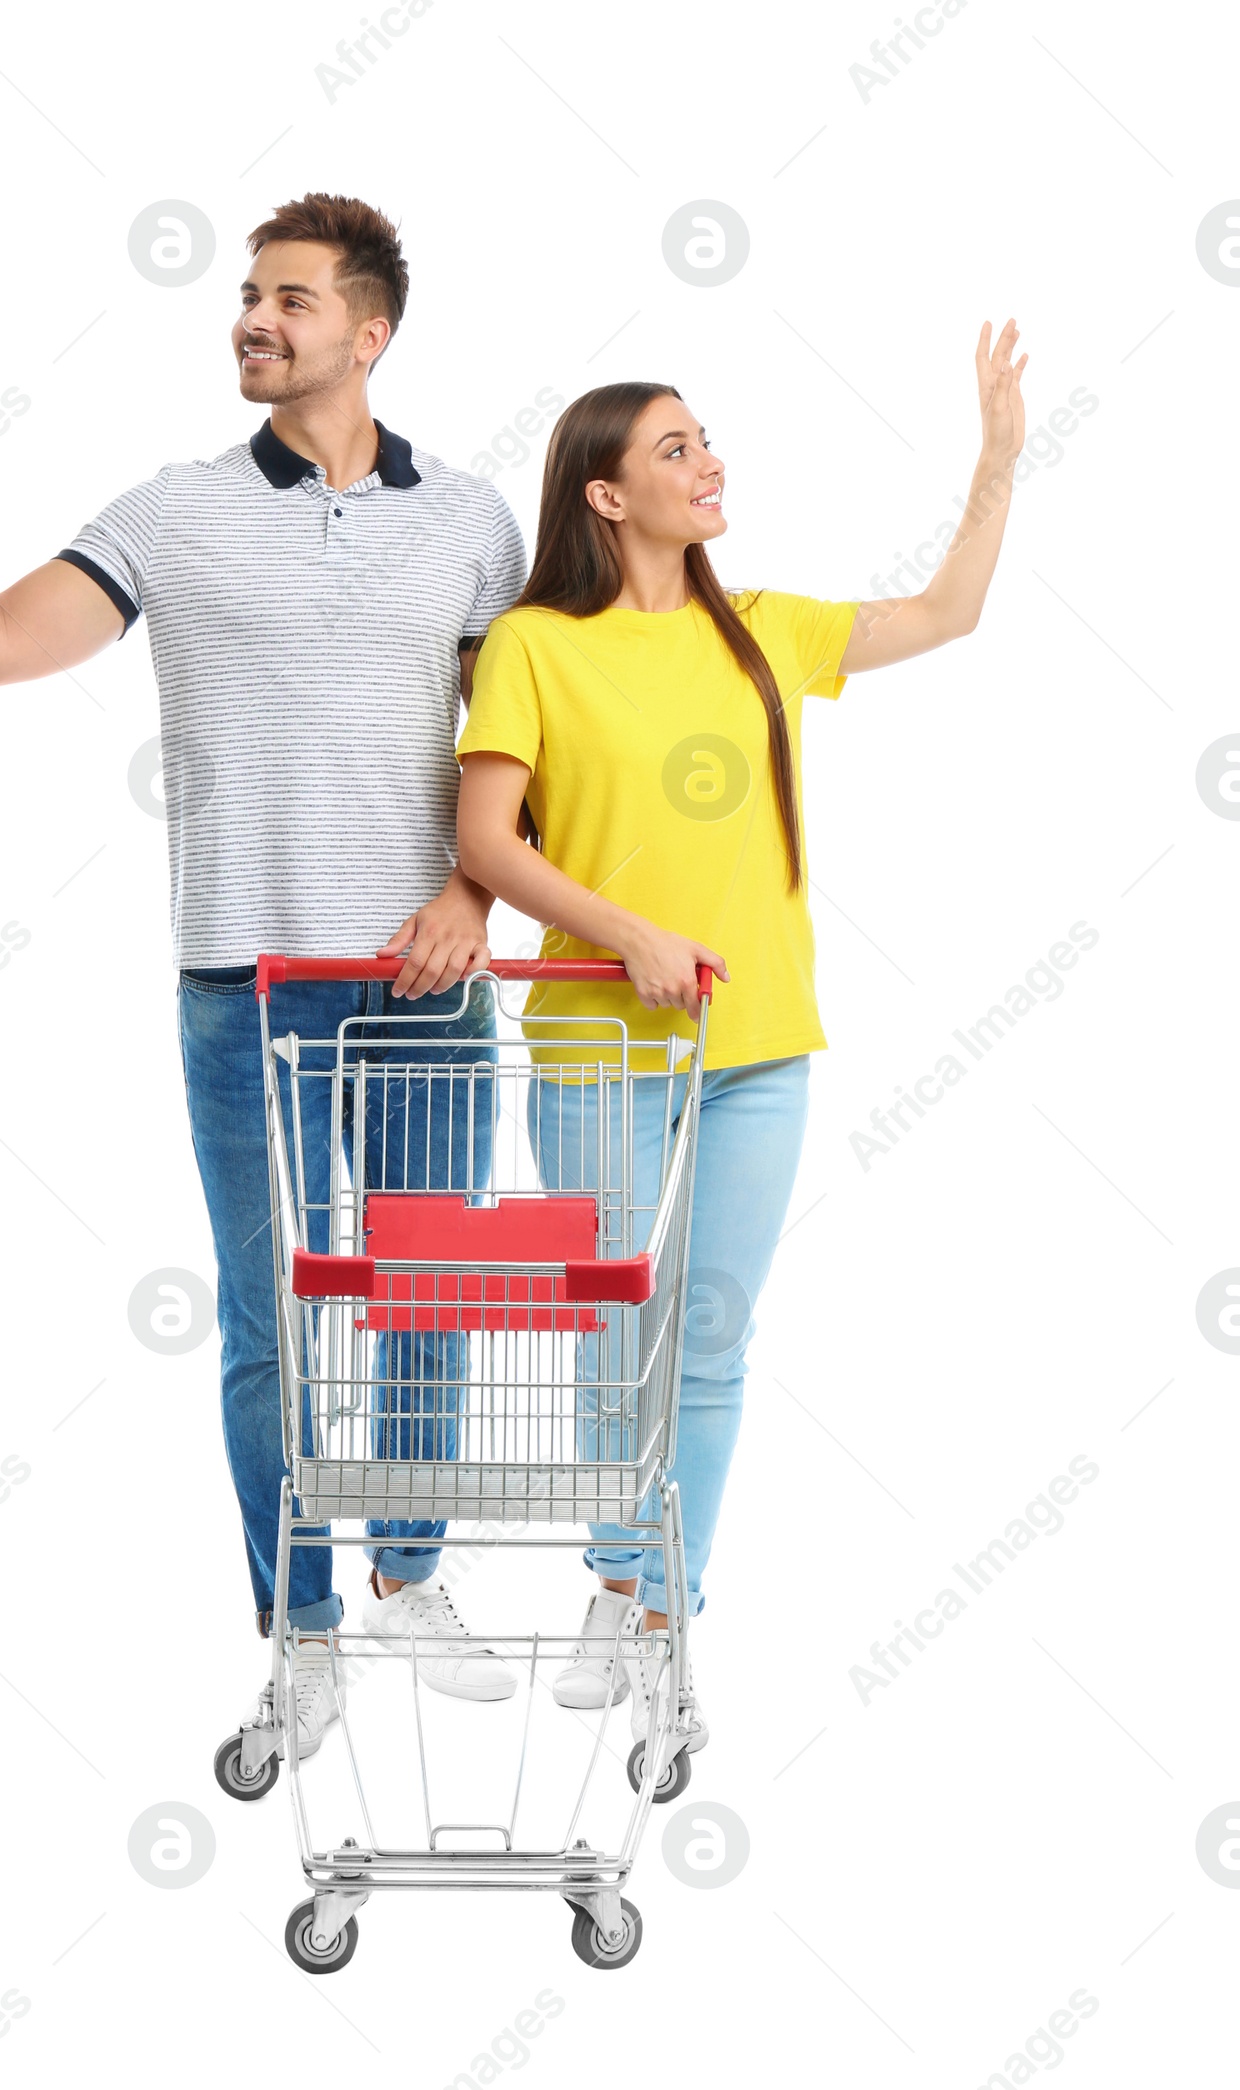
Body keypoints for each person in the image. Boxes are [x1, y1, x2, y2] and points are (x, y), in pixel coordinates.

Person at [0, 193, 531, 1755]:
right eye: (249, 295)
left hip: (425, 983)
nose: (255, 318)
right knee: (268, 1320)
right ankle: (301, 1631)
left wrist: (469, 885)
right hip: (241, 984)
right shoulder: (174, 512)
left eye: (291, 299)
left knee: (421, 1294)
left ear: (369, 332)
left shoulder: (469, 524)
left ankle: (405, 1578)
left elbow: (522, 752)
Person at [454, 325, 1028, 1749]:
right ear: (605, 493)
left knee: (705, 1339)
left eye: (705, 441)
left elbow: (946, 615)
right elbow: (482, 838)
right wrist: (624, 934)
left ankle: (661, 1614)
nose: (710, 462)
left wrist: (999, 461)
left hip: (761, 1043)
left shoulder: (760, 627)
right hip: (601, 1048)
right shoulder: (536, 644)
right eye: (676, 447)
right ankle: (608, 1577)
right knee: (612, 1335)